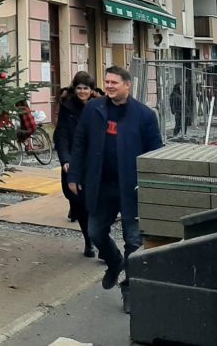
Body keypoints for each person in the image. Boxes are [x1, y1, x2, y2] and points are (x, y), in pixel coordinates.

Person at [67, 65, 163, 314]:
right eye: (107, 82)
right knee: (95, 231)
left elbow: (156, 153)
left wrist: (154, 186)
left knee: (133, 240)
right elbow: (80, 142)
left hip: (132, 188)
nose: (109, 86)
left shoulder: (144, 115)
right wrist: (74, 175)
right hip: (102, 185)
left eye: (114, 83)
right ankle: (113, 261)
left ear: (127, 85)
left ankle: (129, 288)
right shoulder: (94, 109)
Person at [54, 71, 99, 257]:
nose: (82, 92)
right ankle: (89, 242)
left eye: (86, 88)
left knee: (96, 202)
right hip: (74, 159)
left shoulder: (100, 106)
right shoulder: (67, 106)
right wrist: (65, 159)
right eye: (79, 88)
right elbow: (61, 135)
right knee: (78, 202)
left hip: (95, 160)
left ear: (91, 90)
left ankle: (101, 240)